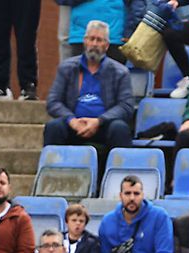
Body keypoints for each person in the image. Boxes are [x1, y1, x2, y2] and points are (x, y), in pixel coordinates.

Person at [44, 21, 134, 156]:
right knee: (53, 127)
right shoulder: (67, 68)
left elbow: (126, 106)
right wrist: (71, 120)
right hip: (74, 124)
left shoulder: (120, 72)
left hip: (104, 125)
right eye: (91, 39)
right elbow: (53, 101)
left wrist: (99, 121)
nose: (94, 44)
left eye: (99, 40)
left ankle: (117, 175)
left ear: (107, 45)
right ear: (85, 41)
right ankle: (53, 174)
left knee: (120, 129)